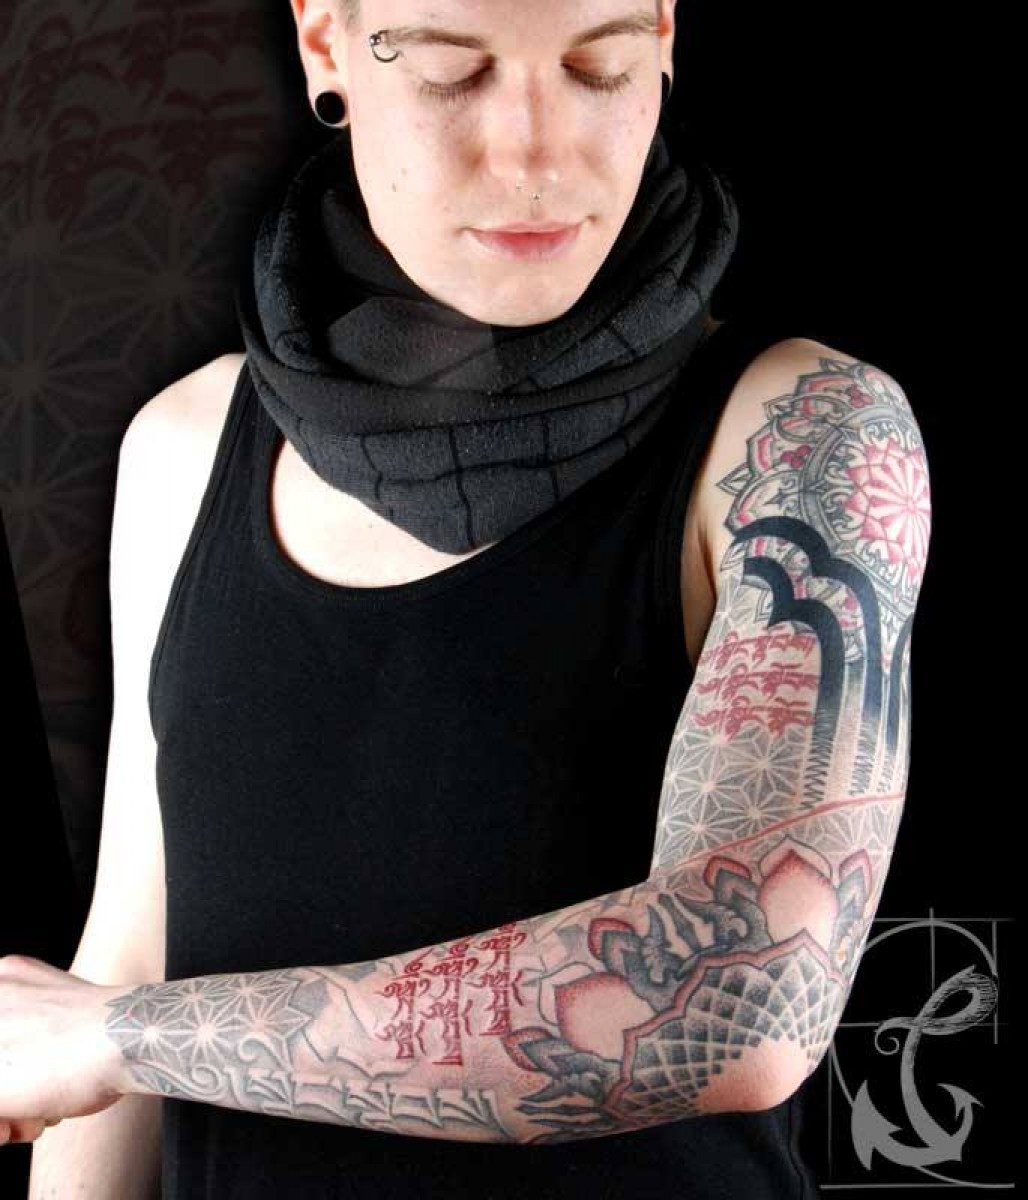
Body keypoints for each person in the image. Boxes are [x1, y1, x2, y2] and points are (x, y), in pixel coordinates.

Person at [26, 0, 931, 1196]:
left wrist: (120, 1038)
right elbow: (131, 952)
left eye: (598, 67)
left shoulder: (804, 431)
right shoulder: (184, 446)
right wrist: (103, 1036)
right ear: (324, 44)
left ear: (663, 38)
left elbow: (743, 993)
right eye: (453, 74)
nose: (535, 154)